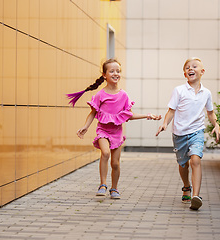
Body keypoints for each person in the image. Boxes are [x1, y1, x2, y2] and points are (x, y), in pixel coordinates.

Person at [67, 58, 161, 199]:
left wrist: (147, 115)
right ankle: (103, 184)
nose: (115, 73)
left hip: (117, 133)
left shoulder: (123, 95)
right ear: (104, 75)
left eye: (118, 71)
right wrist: (85, 127)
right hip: (103, 131)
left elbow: (128, 115)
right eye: (112, 71)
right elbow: (92, 113)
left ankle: (114, 188)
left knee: (115, 163)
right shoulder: (100, 95)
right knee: (105, 153)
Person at [156, 57, 220, 210]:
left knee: (195, 160)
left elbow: (210, 113)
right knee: (183, 164)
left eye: (194, 66)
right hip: (179, 133)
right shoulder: (179, 90)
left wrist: (216, 125)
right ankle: (186, 186)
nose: (190, 69)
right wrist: (165, 123)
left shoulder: (206, 93)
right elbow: (171, 110)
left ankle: (195, 196)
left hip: (196, 132)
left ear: (202, 71)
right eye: (187, 68)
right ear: (185, 74)